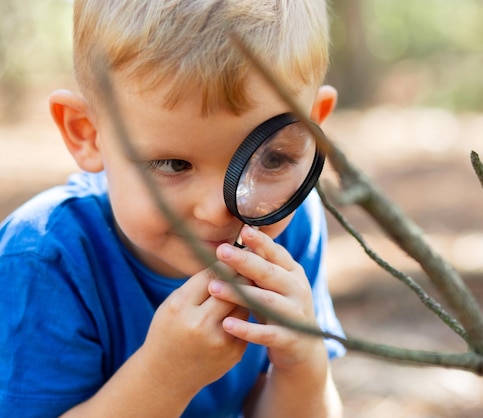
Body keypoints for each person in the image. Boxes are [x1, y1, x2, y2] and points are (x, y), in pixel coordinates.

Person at [0, 1, 346, 417]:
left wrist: (301, 363)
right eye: (172, 164)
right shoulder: (45, 258)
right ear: (87, 134)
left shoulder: (286, 224)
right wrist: (165, 376)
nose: (218, 210)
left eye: (271, 160)